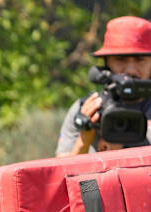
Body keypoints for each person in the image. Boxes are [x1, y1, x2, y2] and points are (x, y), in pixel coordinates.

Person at [56, 16, 151, 157]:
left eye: (140, 59)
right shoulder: (86, 109)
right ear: (106, 64)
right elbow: (62, 175)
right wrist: (84, 140)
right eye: (121, 59)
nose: (131, 70)